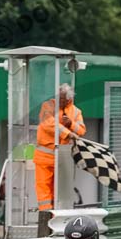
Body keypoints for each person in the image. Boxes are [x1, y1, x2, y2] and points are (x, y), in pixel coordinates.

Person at [33, 83, 86, 212]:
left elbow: (82, 130)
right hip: (44, 156)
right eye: (59, 97)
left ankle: (60, 216)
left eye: (63, 99)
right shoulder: (47, 106)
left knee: (62, 191)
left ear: (69, 99)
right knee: (44, 189)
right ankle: (46, 216)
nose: (60, 101)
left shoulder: (76, 111)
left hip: (63, 157)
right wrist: (67, 133)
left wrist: (71, 124)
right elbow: (48, 124)